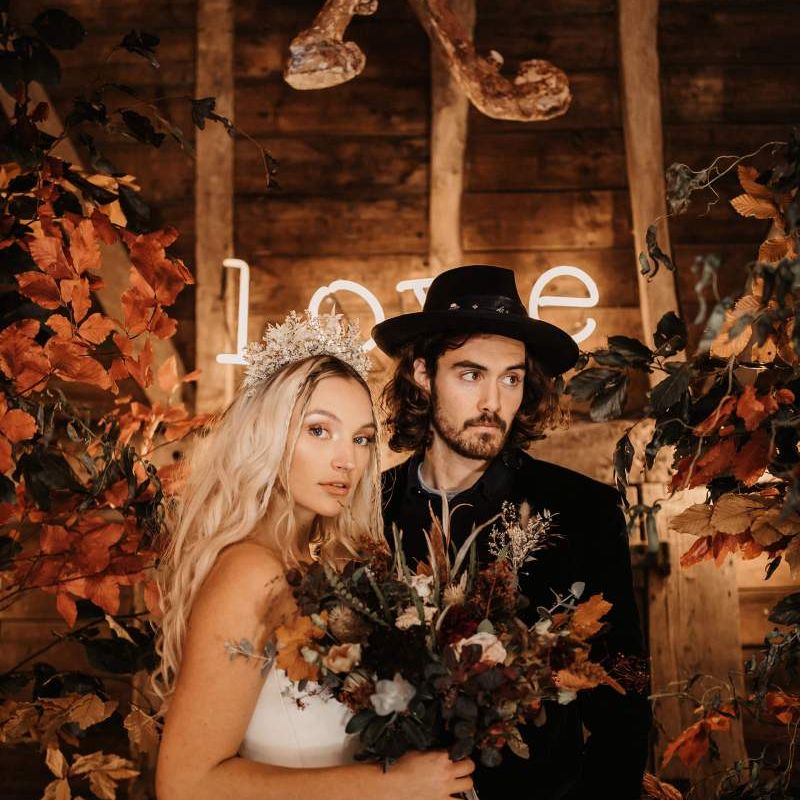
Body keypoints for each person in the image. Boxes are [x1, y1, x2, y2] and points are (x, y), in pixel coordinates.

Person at [154, 312, 475, 800]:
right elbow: (185, 784)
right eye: (320, 431)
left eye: (362, 439)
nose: (347, 459)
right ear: (270, 433)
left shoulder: (317, 567)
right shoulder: (251, 571)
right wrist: (392, 785)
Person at [374, 265, 652, 800]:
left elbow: (626, 685)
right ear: (422, 374)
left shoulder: (582, 508)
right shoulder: (368, 511)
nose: (493, 403)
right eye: (471, 374)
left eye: (512, 378)